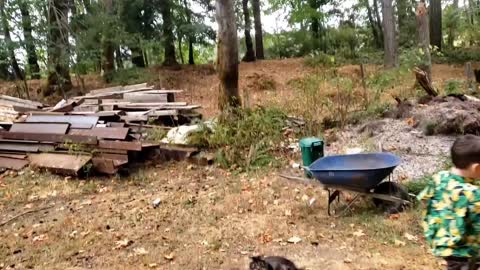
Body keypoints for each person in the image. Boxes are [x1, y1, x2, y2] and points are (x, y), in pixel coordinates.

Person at [418, 134, 480, 270]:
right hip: (463, 250)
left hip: (442, 241)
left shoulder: (440, 177)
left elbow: (423, 199)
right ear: (477, 168)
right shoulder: (473, 194)